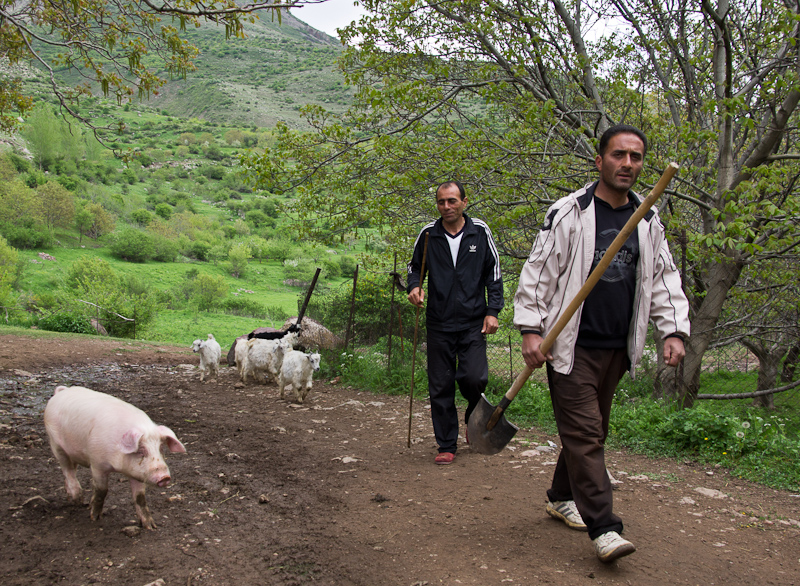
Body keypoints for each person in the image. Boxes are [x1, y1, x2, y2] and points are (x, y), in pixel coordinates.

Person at [513, 125, 690, 562]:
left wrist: (673, 329)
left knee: (590, 433)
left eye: (635, 157)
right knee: (587, 434)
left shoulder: (647, 220)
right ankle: (606, 529)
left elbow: (665, 280)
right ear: (600, 161)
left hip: (616, 347)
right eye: (618, 155)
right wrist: (531, 329)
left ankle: (559, 495)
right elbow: (538, 273)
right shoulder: (570, 212)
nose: (627, 164)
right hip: (568, 346)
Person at [407, 180, 504, 465]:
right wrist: (414, 287)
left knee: (475, 378)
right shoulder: (428, 235)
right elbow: (415, 268)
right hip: (438, 322)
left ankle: (472, 418)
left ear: (464, 202)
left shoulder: (480, 232)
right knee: (440, 385)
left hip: (473, 321)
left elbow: (493, 274)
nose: (446, 207)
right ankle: (446, 444)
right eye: (441, 202)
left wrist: (493, 311)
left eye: (452, 201)